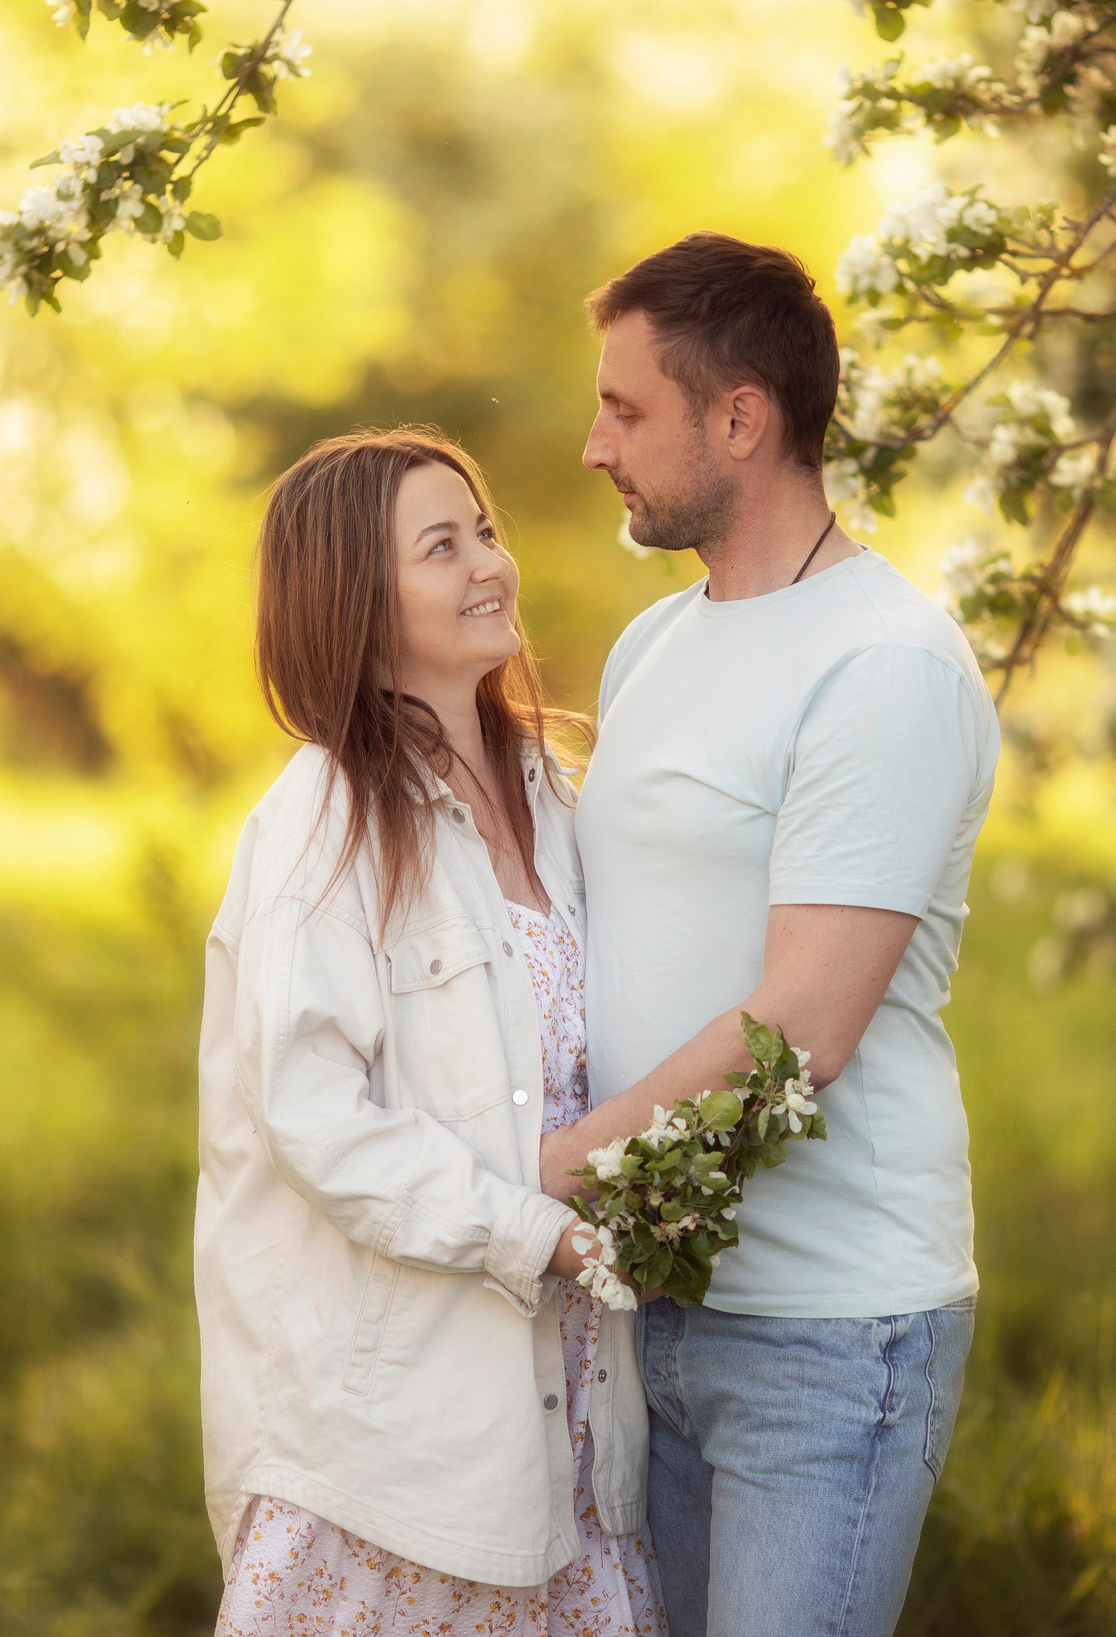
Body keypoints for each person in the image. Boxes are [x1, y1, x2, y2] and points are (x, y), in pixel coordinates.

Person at [546, 234, 1000, 1637]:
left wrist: (551, 1167)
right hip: (658, 1304)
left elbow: (804, 1025)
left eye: (626, 410)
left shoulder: (885, 663)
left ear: (741, 417)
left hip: (828, 1328)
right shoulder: (653, 643)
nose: (591, 445)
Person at [196, 426, 664, 1635]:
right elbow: (315, 1120)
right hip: (395, 1450)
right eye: (440, 547)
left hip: (569, 1412)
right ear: (356, 599)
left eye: (487, 531)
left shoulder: (555, 792)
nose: (488, 565)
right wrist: (536, 1233)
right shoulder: (325, 820)